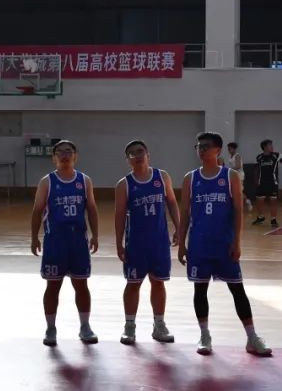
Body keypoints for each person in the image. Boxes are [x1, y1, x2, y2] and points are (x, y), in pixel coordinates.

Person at [178, 131, 272, 357]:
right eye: (198, 146)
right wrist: (181, 243)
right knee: (200, 290)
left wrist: (237, 242)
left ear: (217, 150)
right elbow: (185, 213)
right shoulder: (191, 178)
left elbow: (238, 211)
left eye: (206, 146)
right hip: (199, 245)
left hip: (224, 244)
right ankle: (204, 335)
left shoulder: (230, 176)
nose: (201, 150)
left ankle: (252, 337)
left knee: (237, 290)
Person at [31, 140, 100, 346]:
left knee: (81, 284)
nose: (64, 154)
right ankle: (50, 328)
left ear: (75, 156)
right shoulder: (47, 182)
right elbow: (37, 210)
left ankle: (85, 326)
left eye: (68, 151)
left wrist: (96, 235)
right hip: (55, 241)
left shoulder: (84, 180)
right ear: (54, 158)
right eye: (60, 152)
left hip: (78, 241)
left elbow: (92, 209)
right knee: (53, 286)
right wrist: (34, 237)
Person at [114, 139, 180, 345]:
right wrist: (118, 243)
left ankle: (159, 325)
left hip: (159, 242)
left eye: (140, 151)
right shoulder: (124, 184)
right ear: (128, 160)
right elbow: (119, 215)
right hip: (136, 243)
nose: (137, 155)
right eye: (132, 153)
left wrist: (179, 228)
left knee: (158, 282)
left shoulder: (162, 176)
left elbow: (172, 203)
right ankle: (129, 326)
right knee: (133, 284)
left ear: (148, 154)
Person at [252, 139, 282, 228]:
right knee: (259, 201)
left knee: (273, 202)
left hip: (272, 182)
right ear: (265, 147)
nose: (272, 147)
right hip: (262, 183)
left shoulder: (276, 155)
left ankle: (273, 219)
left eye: (272, 145)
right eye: (270, 145)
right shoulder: (259, 157)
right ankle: (260, 217)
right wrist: (256, 180)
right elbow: (256, 169)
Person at [224, 142, 252, 212]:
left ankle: (247, 202)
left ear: (234, 149)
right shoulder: (231, 156)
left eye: (230, 149)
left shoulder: (237, 156)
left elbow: (238, 166)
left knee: (239, 191)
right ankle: (241, 203)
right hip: (233, 175)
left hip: (239, 175)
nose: (229, 150)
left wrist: (229, 169)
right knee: (233, 190)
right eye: (228, 149)